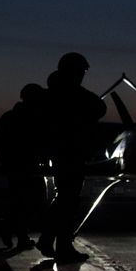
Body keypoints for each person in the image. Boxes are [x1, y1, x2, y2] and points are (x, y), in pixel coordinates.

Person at [36, 52, 106, 260]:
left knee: (65, 199)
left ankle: (50, 240)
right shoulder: (69, 93)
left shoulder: (55, 94)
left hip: (63, 152)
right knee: (68, 200)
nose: (83, 75)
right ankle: (60, 245)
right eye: (81, 71)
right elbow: (99, 107)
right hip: (69, 153)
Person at [0, 83, 49, 250]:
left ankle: (16, 232)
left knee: (22, 202)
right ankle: (16, 232)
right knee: (30, 202)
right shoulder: (32, 119)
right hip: (25, 167)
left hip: (19, 167)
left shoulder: (10, 117)